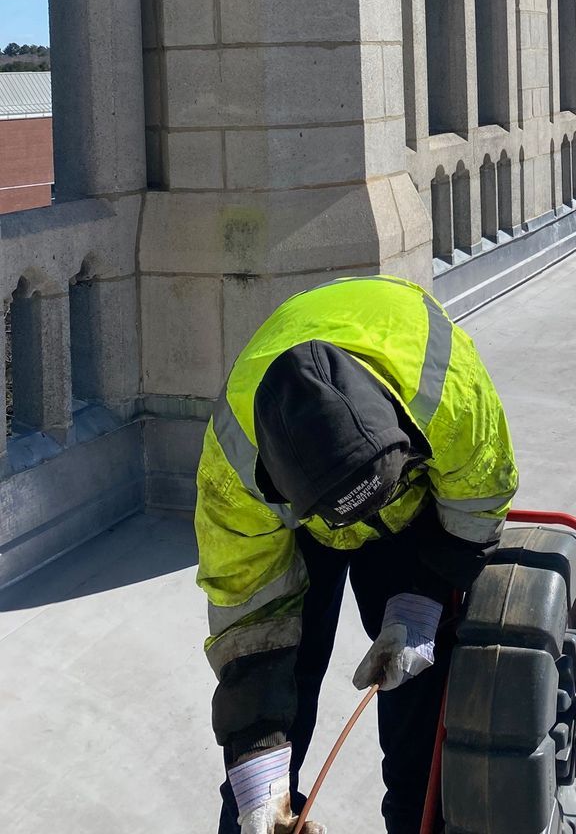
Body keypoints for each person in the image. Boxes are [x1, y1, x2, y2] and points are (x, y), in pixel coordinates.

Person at [195, 276, 519, 834]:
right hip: (298, 531)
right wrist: (259, 776)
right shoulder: (235, 471)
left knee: (419, 690)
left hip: (414, 513)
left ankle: (418, 822)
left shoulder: (449, 391)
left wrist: (422, 602)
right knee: (281, 687)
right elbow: (250, 625)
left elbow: (477, 503)